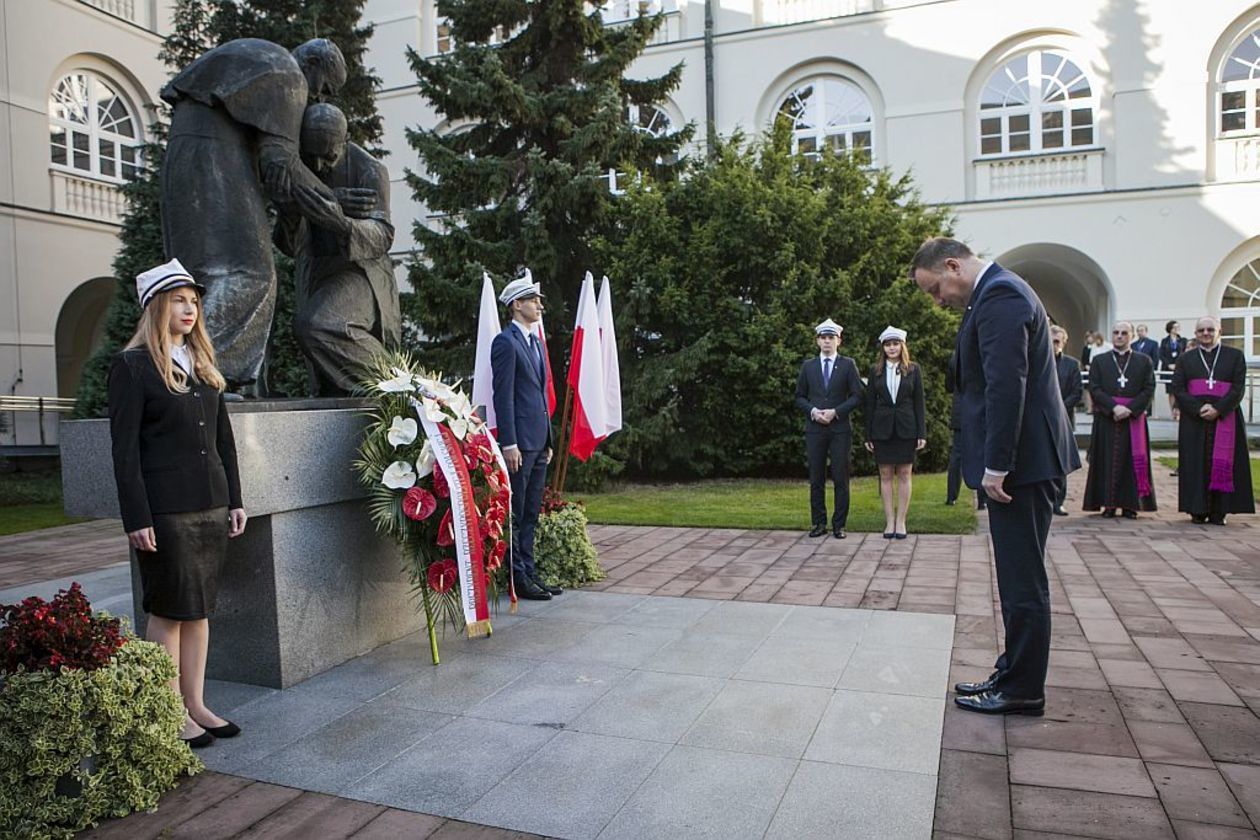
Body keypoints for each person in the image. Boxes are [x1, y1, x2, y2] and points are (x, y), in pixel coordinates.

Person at [911, 238, 1078, 716]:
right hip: (1025, 462)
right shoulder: (997, 291)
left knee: (1023, 582)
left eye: (934, 289)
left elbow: (1008, 385)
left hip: (1021, 466)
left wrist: (997, 464)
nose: (937, 301)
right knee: (1015, 578)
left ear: (952, 265)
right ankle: (1012, 672)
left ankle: (1023, 690)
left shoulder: (1001, 295)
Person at [108, 258, 247, 748]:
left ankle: (196, 704)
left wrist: (235, 498)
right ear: (156, 307)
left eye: (194, 301)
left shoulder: (204, 364)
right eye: (180, 300)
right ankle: (169, 713)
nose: (190, 309)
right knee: (169, 610)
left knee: (200, 610)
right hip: (165, 512)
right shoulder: (132, 367)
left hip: (210, 504)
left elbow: (224, 441)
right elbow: (124, 452)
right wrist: (137, 516)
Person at [161, 38, 347, 393]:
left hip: (188, 157)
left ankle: (198, 374)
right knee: (249, 272)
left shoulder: (261, 55)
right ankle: (204, 373)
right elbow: (282, 164)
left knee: (200, 275)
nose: (318, 99)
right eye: (323, 88)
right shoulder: (289, 74)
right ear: (312, 65)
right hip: (215, 160)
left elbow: (275, 171)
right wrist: (334, 204)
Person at [274, 103, 402, 395]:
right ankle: (379, 394)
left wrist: (341, 223)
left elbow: (382, 235)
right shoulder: (298, 167)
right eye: (312, 156)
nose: (318, 166)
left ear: (344, 141)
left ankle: (400, 390)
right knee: (317, 346)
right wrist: (289, 211)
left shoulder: (369, 169)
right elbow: (287, 245)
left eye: (328, 156)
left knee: (318, 324)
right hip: (317, 273)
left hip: (359, 271)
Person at [491, 276, 561, 601]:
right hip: (519, 444)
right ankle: (518, 578)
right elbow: (503, 396)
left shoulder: (534, 342)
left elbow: (540, 396)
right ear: (517, 304)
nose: (540, 305)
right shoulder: (506, 343)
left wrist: (548, 440)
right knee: (517, 513)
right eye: (534, 300)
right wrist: (509, 443)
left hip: (538, 442)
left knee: (531, 511)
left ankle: (530, 573)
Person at [1171, 316, 1255, 525]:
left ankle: (1220, 511)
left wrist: (1218, 409)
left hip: (1225, 417)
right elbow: (1179, 388)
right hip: (1194, 419)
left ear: (1219, 331)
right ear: (1196, 334)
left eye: (1210, 329)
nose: (1205, 333)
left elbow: (1238, 388)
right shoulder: (1186, 358)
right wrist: (1198, 408)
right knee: (1194, 462)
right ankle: (1196, 509)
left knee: (1225, 461)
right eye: (1201, 331)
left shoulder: (1234, 356)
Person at [794, 319, 863, 538]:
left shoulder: (847, 364)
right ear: (817, 341)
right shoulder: (809, 366)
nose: (827, 341)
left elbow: (857, 395)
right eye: (823, 338)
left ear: (838, 341)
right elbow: (799, 397)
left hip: (839, 429)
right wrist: (813, 411)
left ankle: (839, 525)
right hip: (815, 429)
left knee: (840, 477)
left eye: (831, 338)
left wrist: (837, 411)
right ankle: (818, 523)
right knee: (816, 477)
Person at [1081, 322, 1157, 518]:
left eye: (1124, 333)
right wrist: (1113, 407)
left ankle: (1131, 505)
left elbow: (1149, 388)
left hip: (1133, 419)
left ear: (1131, 336)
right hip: (1107, 418)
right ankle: (1108, 504)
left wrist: (1130, 409)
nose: (1120, 336)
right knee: (1105, 459)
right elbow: (1094, 388)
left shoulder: (1144, 361)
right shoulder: (1100, 361)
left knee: (1131, 461)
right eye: (1116, 333)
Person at [863, 326, 925, 539]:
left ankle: (901, 522)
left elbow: (919, 403)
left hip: (907, 428)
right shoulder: (875, 370)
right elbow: (869, 404)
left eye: (895, 344)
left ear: (902, 346)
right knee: (886, 475)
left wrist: (921, 433)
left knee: (905, 474)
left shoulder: (914, 369)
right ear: (883, 348)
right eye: (888, 345)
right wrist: (868, 435)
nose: (892, 348)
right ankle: (889, 522)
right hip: (882, 430)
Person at [946, 350, 986, 511]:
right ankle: (983, 500)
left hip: (961, 409)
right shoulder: (986, 352)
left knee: (957, 455)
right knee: (982, 453)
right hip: (982, 409)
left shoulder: (956, 356)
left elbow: (949, 385)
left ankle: (951, 497)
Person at [1050, 326, 1083, 516]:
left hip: (1063, 419)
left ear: (1063, 343)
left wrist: (1059, 407)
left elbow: (1076, 392)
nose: (1053, 345)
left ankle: (1058, 501)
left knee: (1061, 462)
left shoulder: (1072, 365)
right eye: (1050, 341)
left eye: (1057, 341)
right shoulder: (1036, 361)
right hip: (1041, 419)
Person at [1160, 320, 1188, 421]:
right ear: (1170, 329)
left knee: (1179, 390)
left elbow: (1185, 352)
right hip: (1168, 368)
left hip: (1179, 368)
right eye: (1175, 327)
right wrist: (1168, 364)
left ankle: (1179, 412)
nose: (1177, 329)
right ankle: (1173, 413)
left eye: (1178, 327)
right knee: (1171, 391)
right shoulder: (1165, 341)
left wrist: (1178, 364)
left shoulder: (1183, 340)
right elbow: (1161, 354)